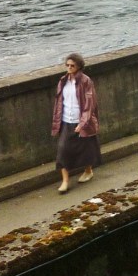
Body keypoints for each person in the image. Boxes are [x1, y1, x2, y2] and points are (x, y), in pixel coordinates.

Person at [50, 53, 102, 194]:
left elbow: (89, 104)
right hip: (66, 120)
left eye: (72, 65)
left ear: (79, 66)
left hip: (80, 121)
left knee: (85, 149)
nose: (69, 67)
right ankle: (65, 181)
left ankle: (88, 171)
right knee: (62, 150)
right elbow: (59, 102)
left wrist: (82, 123)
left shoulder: (86, 81)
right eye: (67, 65)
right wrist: (57, 121)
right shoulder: (63, 81)